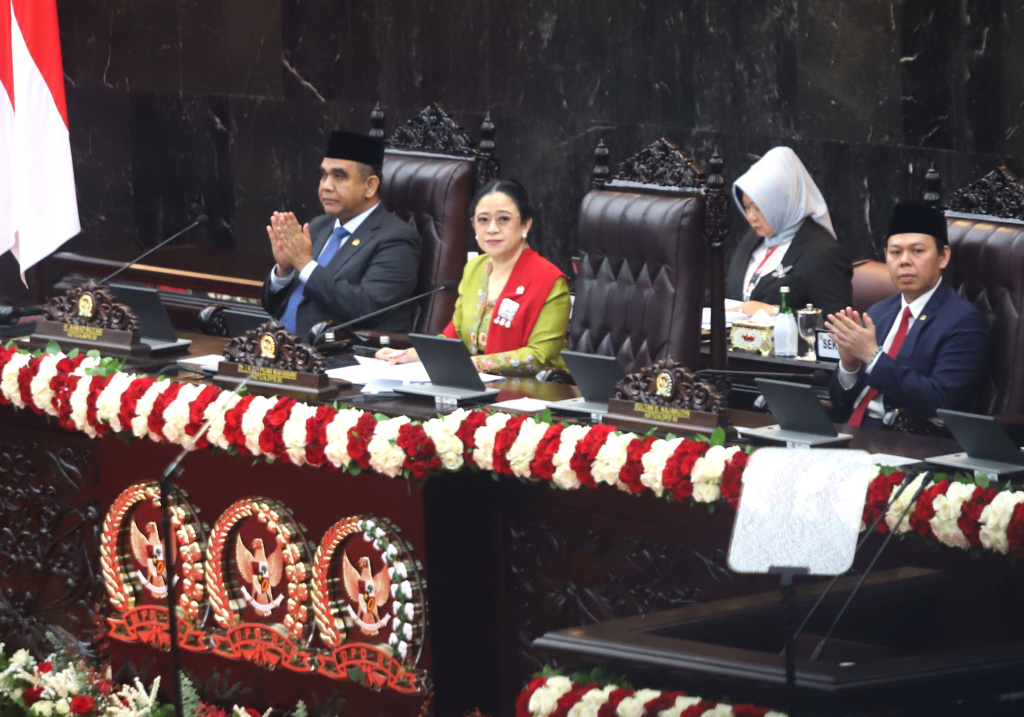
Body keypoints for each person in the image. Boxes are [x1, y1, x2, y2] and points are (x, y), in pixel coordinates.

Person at [376, 179, 570, 377]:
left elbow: (539, 356)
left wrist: (471, 364)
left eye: (504, 219)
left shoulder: (550, 279)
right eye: (483, 220)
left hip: (529, 393)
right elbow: (453, 337)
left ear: (525, 225)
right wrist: (409, 354)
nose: (492, 228)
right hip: (471, 382)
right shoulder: (475, 268)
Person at [826, 203, 989, 427]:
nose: (904, 260)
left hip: (907, 441)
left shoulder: (964, 321)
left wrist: (873, 357)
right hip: (850, 433)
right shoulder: (878, 312)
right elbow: (840, 403)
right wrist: (849, 364)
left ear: (943, 257)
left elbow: (942, 400)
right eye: (895, 252)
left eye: (917, 251)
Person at [261, 130, 421, 339]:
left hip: (339, 358)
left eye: (339, 177)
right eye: (323, 175)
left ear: (370, 186)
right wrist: (285, 270)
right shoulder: (319, 226)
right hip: (280, 351)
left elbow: (368, 307)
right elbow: (273, 306)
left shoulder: (397, 239)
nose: (326, 186)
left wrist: (304, 263)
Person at [725, 147, 851, 317]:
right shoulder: (753, 238)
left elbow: (835, 326)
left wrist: (775, 312)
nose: (751, 217)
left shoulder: (823, 254)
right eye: (746, 207)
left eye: (759, 208)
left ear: (782, 201)